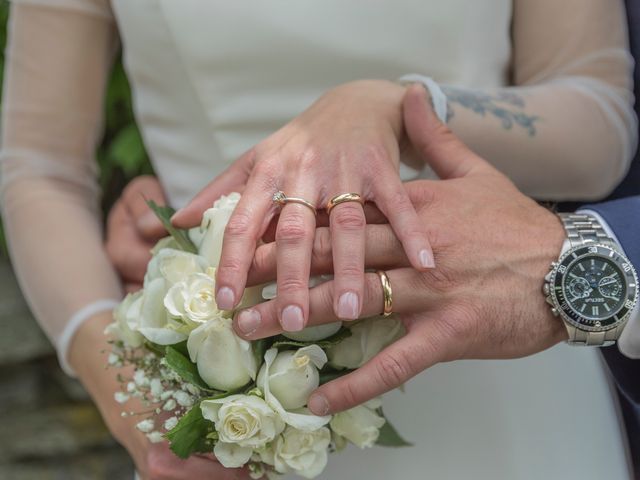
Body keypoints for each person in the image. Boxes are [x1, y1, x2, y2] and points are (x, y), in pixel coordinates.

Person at [1, 0, 637, 478]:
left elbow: (600, 125)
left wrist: (407, 108)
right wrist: (113, 370)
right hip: (222, 387)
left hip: (501, 353)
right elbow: (41, 168)